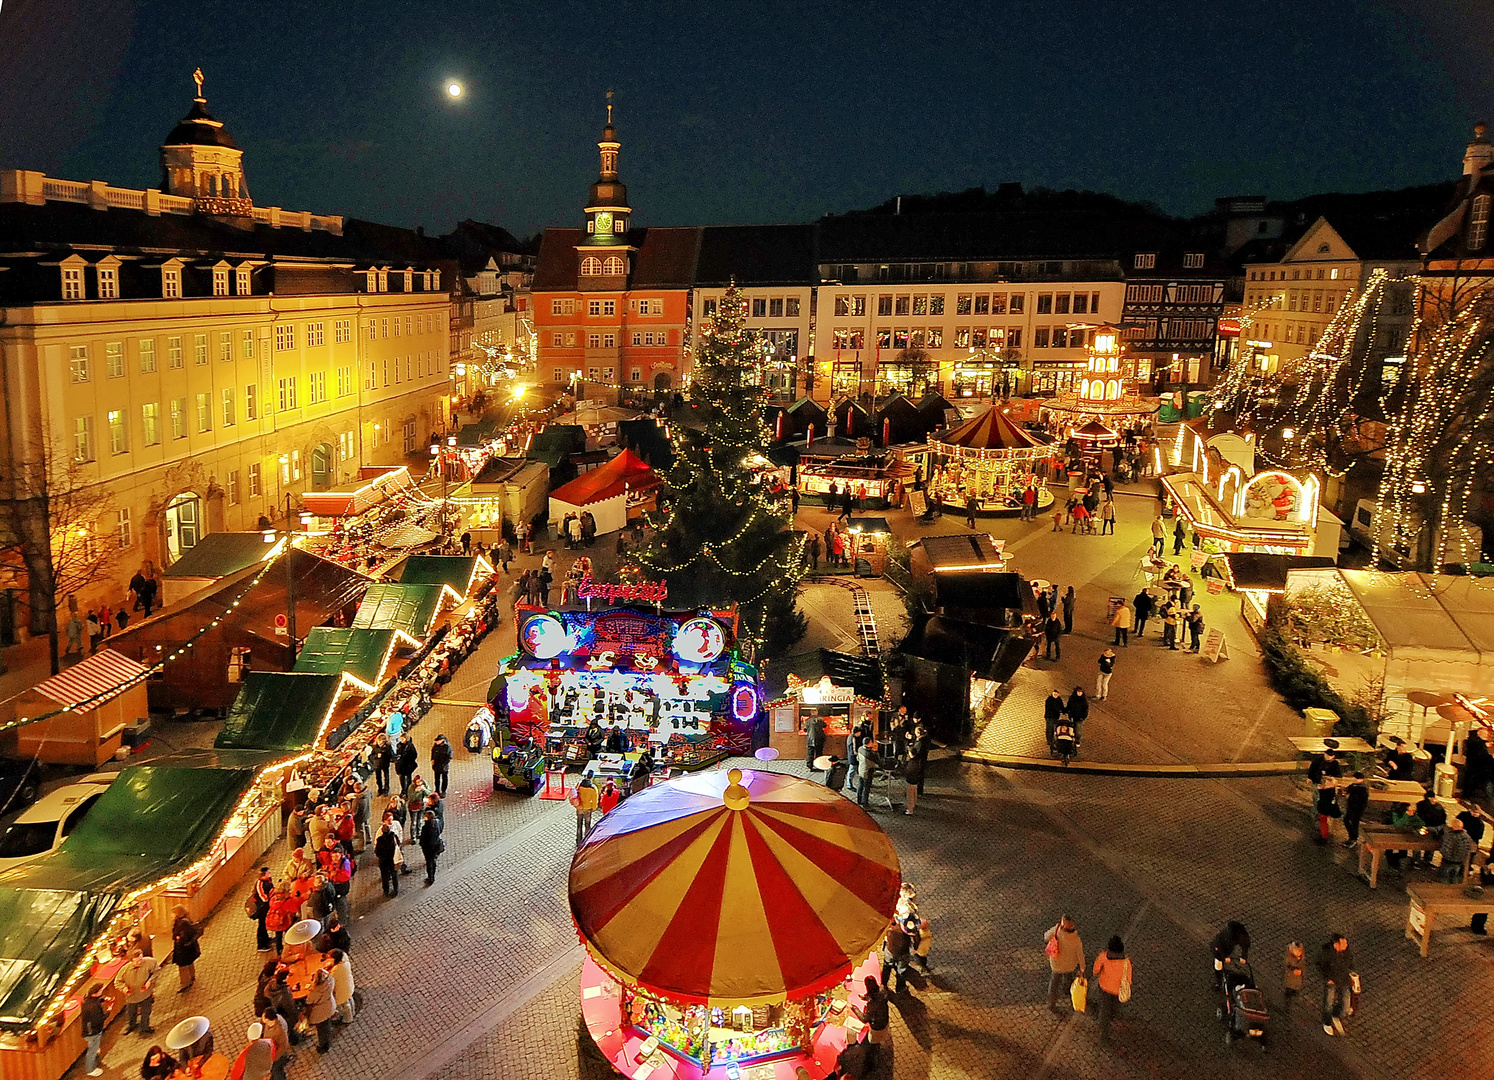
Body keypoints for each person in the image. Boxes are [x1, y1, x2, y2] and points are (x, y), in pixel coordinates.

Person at [1092, 936, 1131, 1045]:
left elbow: (1095, 970)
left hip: (1105, 988)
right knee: (1115, 1007)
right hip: (1118, 991)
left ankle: (1103, 1035)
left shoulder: (1103, 956)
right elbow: (1128, 979)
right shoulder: (1126, 962)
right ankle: (1113, 1017)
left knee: (1104, 1010)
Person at [1044, 915, 1085, 1014]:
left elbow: (1046, 937)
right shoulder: (1076, 940)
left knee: (1054, 984)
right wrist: (1082, 968)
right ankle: (1070, 996)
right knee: (1069, 980)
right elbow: (1080, 955)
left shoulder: (1056, 930)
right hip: (1069, 966)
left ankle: (1051, 1003)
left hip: (1056, 964)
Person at [1317, 934, 1356, 1036]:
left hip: (1344, 980)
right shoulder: (1327, 953)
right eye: (1343, 943)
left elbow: (1350, 962)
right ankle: (1327, 1022)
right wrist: (1327, 978)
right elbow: (1320, 965)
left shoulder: (1346, 952)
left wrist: (1352, 974)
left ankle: (1336, 1014)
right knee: (1329, 1002)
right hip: (1332, 981)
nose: (1346, 945)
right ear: (1336, 944)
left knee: (1346, 1004)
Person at [849, 976, 892, 1068]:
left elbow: (865, 1018)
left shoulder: (872, 1004)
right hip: (885, 1021)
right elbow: (874, 995)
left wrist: (855, 1009)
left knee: (872, 1046)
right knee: (875, 1041)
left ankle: (871, 1063)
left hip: (877, 1027)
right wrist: (865, 997)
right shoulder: (882, 991)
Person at [115, 948, 159, 1034]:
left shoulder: (149, 962)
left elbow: (156, 971)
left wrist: (150, 981)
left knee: (146, 1012)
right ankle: (132, 1025)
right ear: (131, 961)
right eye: (137, 961)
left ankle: (144, 1027)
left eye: (141, 959)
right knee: (131, 1013)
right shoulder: (124, 970)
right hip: (132, 996)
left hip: (146, 994)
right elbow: (117, 982)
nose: (140, 962)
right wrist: (124, 988)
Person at [304, 966, 336, 1053]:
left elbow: (309, 1004)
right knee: (327, 1023)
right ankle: (328, 1036)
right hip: (329, 1005)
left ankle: (323, 1046)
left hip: (320, 1012)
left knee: (321, 1029)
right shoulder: (331, 981)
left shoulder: (314, 992)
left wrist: (307, 1017)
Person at [170, 905, 201, 993]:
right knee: (189, 963)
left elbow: (183, 935)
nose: (172, 915)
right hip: (189, 948)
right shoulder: (186, 920)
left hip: (183, 949)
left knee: (183, 967)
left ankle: (185, 983)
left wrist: (178, 938)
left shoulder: (182, 923)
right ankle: (192, 977)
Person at [881, 920, 913, 993]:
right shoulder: (906, 934)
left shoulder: (889, 931)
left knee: (886, 967)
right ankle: (900, 988)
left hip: (890, 952)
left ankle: (883, 984)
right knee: (901, 971)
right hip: (902, 954)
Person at [81, 983, 106, 1076]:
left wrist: (103, 999)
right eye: (100, 991)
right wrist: (108, 1011)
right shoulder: (93, 1008)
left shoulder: (87, 1000)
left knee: (94, 1048)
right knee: (92, 1050)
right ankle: (90, 1069)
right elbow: (98, 1020)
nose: (102, 992)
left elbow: (96, 1000)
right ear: (95, 993)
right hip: (92, 1032)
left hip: (89, 1031)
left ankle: (94, 1062)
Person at [1440, 816, 1473, 883]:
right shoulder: (1467, 837)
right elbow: (1469, 849)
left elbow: (1445, 849)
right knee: (1455, 878)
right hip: (1459, 862)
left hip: (1448, 861)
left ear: (1454, 826)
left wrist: (1445, 855)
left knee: (1444, 879)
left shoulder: (1451, 836)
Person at [1342, 772, 1369, 848]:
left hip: (1357, 809)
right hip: (1351, 807)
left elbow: (1362, 800)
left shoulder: (1362, 788)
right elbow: (1347, 790)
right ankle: (1351, 837)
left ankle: (1354, 839)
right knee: (1346, 820)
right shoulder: (1353, 786)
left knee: (1354, 823)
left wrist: (1349, 796)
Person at [329, 949, 356, 1024]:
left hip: (342, 991)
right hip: (348, 985)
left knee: (345, 1006)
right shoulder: (345, 961)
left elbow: (331, 979)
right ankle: (353, 1012)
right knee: (349, 999)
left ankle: (348, 1019)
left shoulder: (336, 969)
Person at [571, 774, 599, 847]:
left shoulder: (579, 785)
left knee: (579, 824)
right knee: (587, 825)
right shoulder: (593, 788)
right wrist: (594, 808)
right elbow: (595, 800)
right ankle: (586, 841)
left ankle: (578, 840)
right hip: (588, 808)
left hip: (579, 807)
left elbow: (574, 794)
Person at [251, 866, 275, 951]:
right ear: (263, 875)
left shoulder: (267, 880)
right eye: (268, 873)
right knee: (262, 925)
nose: (270, 874)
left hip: (266, 906)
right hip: (261, 907)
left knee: (264, 924)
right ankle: (261, 945)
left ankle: (266, 939)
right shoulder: (260, 884)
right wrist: (273, 892)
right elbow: (264, 898)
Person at [374, 822, 401, 897]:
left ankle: (386, 891)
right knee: (394, 875)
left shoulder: (380, 840)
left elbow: (377, 852)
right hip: (393, 860)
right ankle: (396, 889)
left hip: (384, 862)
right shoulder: (394, 837)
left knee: (385, 876)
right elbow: (398, 845)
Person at [1314, 775, 1341, 844]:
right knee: (1323, 822)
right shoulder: (1332, 791)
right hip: (1325, 809)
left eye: (1327, 783)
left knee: (1324, 823)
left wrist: (1321, 790)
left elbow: (1324, 799)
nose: (1325, 784)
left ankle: (1324, 837)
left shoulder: (1328, 791)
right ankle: (1324, 835)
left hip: (1325, 809)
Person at [418, 809, 442, 885]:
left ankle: (430, 878)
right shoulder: (437, 822)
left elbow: (424, 839)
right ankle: (432, 875)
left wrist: (422, 844)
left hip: (428, 847)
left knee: (429, 862)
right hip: (436, 845)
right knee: (433, 861)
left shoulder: (426, 827)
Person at [855, 737, 879, 809]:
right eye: (871, 742)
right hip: (868, 772)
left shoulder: (860, 749)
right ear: (868, 744)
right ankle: (865, 804)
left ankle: (859, 800)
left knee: (860, 785)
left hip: (861, 770)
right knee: (866, 788)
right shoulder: (869, 754)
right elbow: (877, 761)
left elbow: (858, 759)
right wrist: (876, 752)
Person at [903, 749, 924, 815]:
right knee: (914, 792)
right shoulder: (918, 760)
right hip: (916, 780)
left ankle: (910, 809)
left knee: (910, 795)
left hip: (911, 780)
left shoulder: (912, 762)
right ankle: (914, 804)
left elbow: (909, 771)